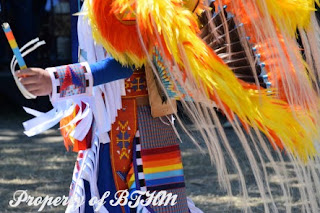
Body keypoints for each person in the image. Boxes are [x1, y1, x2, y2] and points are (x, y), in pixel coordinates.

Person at [15, 0, 320, 212]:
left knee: (146, 202)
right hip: (105, 123)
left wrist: (56, 79)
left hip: (139, 126)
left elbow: (129, 61)